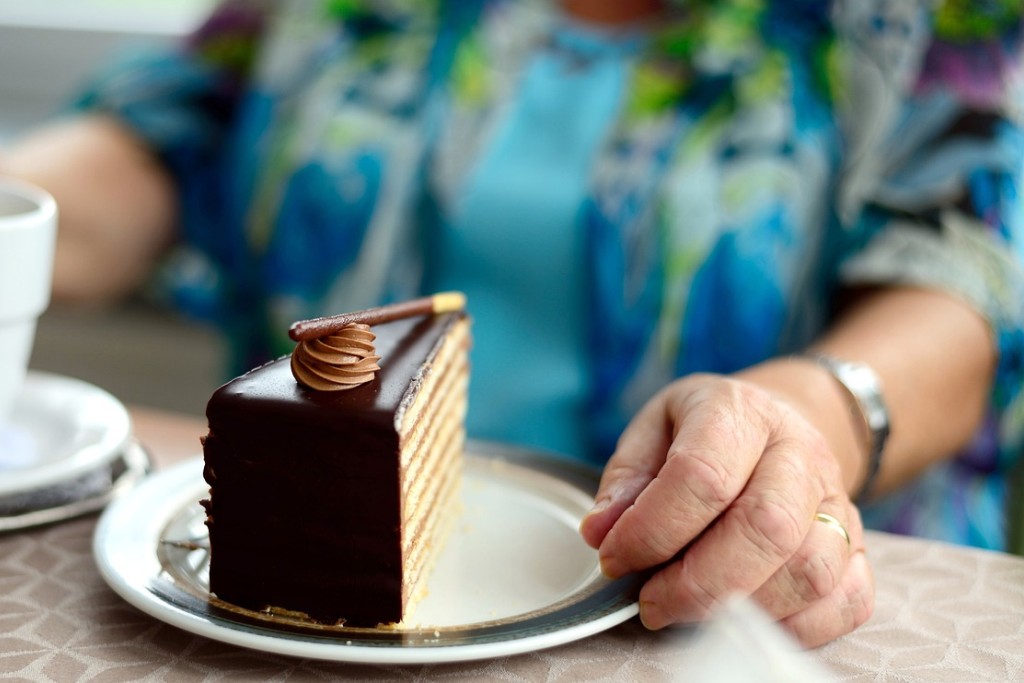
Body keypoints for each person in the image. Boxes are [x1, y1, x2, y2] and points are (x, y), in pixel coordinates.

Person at [3, 0, 1023, 647]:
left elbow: (966, 272)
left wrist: (803, 412)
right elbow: (160, 140)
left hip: (716, 614)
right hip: (309, 614)